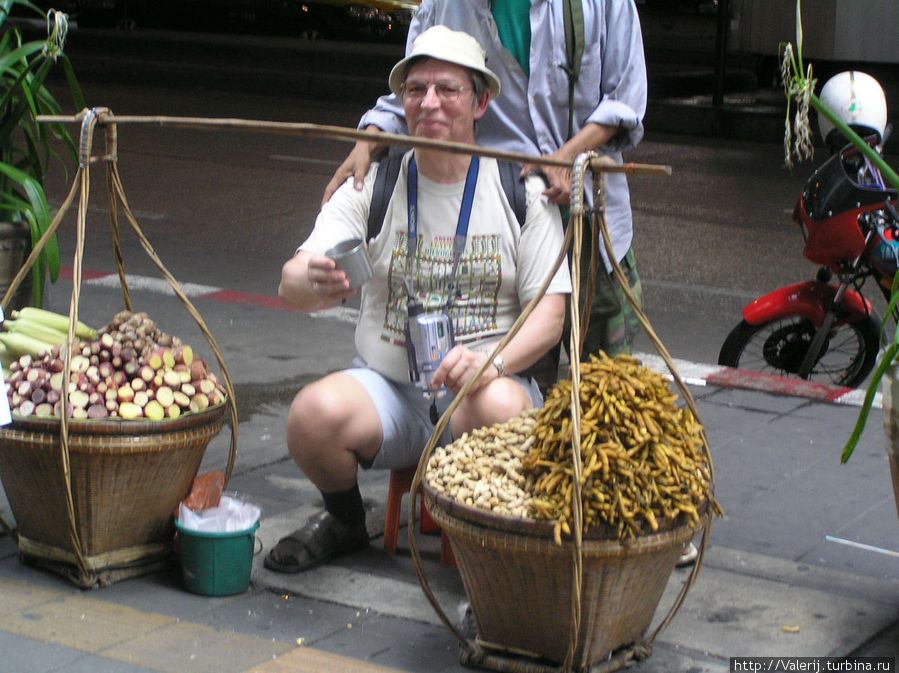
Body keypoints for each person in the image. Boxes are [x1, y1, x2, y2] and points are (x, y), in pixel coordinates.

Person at [265, 25, 571, 573]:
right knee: (311, 415)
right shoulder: (374, 184)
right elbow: (290, 281)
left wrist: (492, 362)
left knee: (497, 405)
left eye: (447, 89)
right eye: (416, 89)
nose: (429, 102)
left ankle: (489, 553)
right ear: (400, 102)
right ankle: (343, 519)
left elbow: (551, 313)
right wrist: (312, 281)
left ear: (480, 102)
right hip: (392, 392)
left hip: (483, 390)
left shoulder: (520, 191)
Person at [322, 1, 648, 389]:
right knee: (513, 393)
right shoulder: (443, 6)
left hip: (587, 214)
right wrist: (366, 142)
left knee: (611, 391)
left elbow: (626, 96)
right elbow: (419, 92)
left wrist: (566, 155)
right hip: (504, 217)